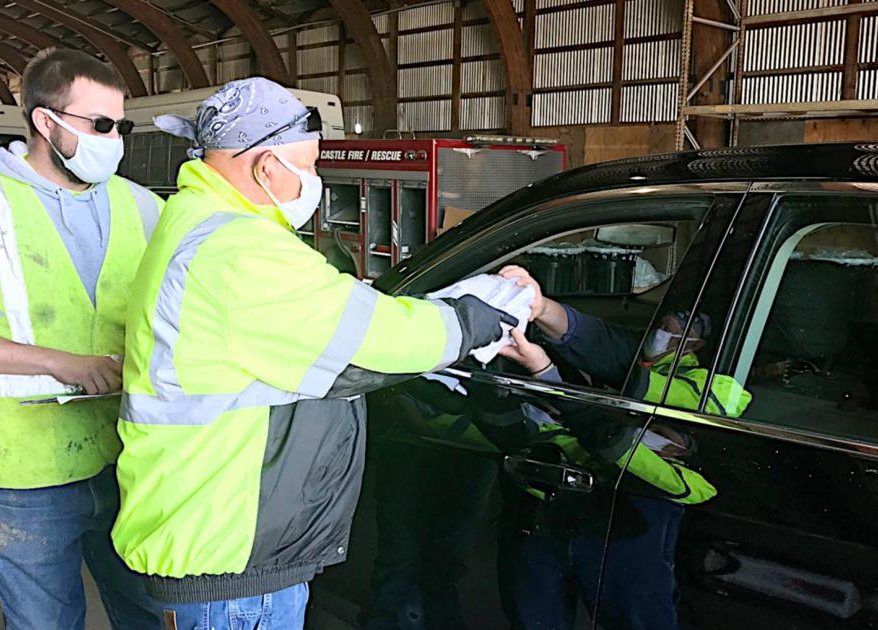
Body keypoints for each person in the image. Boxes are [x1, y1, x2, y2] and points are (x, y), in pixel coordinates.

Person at [110, 77, 511, 630]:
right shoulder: (240, 251)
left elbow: (332, 310)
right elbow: (379, 344)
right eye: (310, 164)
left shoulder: (197, 221)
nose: (314, 180)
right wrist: (483, 313)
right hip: (229, 553)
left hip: (201, 522)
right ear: (267, 167)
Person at [0, 48, 162, 629]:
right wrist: (63, 363)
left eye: (122, 126)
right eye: (100, 125)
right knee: (44, 620)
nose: (114, 139)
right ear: (47, 122)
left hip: (130, 452)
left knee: (146, 613)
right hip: (24, 469)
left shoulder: (140, 206)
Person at [491, 265, 749, 630]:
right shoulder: (631, 354)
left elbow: (615, 434)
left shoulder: (717, 393)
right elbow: (602, 346)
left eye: (683, 324)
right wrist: (543, 307)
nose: (666, 329)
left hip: (627, 536)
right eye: (666, 319)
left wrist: (549, 379)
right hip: (554, 519)